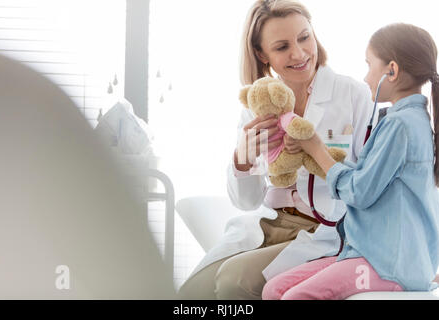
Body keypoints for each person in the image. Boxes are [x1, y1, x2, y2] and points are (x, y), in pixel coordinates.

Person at [178, 0, 374, 300]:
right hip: (271, 222)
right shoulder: (258, 105)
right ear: (261, 53)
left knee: (233, 281)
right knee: (192, 293)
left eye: (304, 38)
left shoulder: (352, 94)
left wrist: (317, 150)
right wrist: (241, 160)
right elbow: (246, 201)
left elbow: (368, 182)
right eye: (282, 47)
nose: (299, 53)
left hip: (325, 228)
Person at [262, 22, 439, 300]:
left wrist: (317, 148)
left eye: (370, 66)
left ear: (391, 71)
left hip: (387, 263)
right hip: (366, 252)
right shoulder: (404, 121)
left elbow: (359, 192)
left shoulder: (401, 125)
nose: (366, 77)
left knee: (294, 297)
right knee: (274, 289)